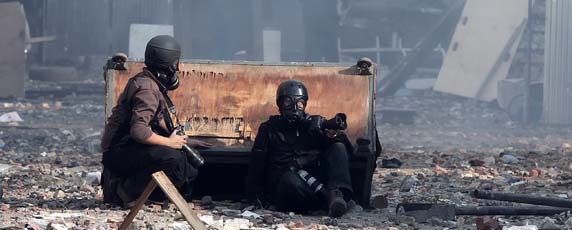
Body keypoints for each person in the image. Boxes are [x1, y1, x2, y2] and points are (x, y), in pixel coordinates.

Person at [100, 35, 211, 207]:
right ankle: (125, 191)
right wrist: (169, 142)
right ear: (169, 66)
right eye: (176, 64)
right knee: (173, 160)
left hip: (126, 148)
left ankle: (151, 196)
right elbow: (139, 131)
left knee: (187, 166)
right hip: (118, 152)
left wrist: (184, 142)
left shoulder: (148, 81)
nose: (179, 69)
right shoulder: (147, 89)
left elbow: (157, 119)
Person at [246, 80, 354, 217]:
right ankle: (326, 203)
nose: (295, 108)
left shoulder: (313, 125)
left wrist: (334, 135)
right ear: (280, 104)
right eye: (288, 102)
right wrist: (254, 197)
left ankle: (338, 196)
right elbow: (256, 165)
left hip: (312, 181)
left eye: (300, 103)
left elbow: (346, 154)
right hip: (285, 184)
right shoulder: (269, 129)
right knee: (290, 181)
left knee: (338, 147)